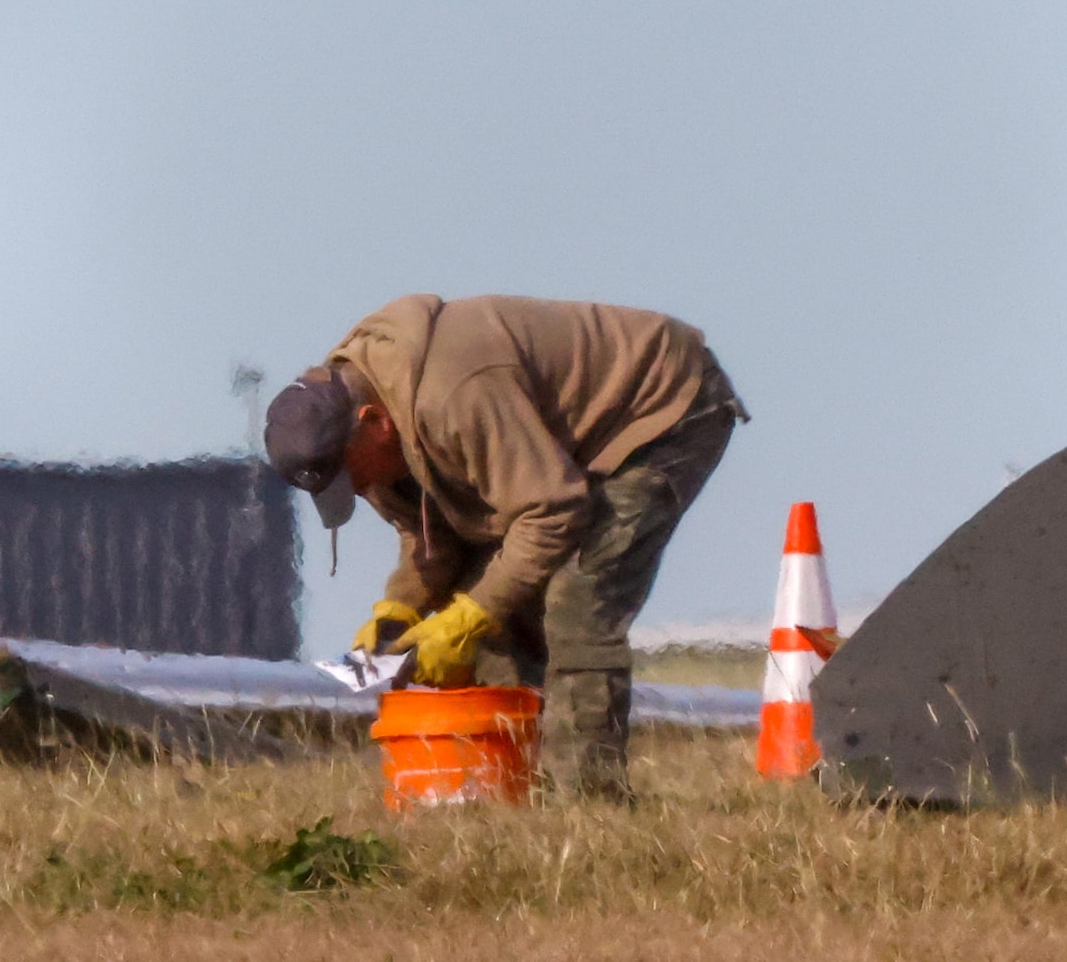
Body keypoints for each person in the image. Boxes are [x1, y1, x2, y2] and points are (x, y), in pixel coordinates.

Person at [264, 295, 746, 799]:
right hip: (555, 459)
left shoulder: (454, 397)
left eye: (352, 477)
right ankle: (508, 787)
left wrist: (470, 615)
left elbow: (552, 513)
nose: (360, 492)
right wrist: (400, 609)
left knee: (577, 597)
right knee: (493, 604)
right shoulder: (364, 418)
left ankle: (587, 800)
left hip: (660, 406)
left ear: (375, 422)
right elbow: (430, 532)